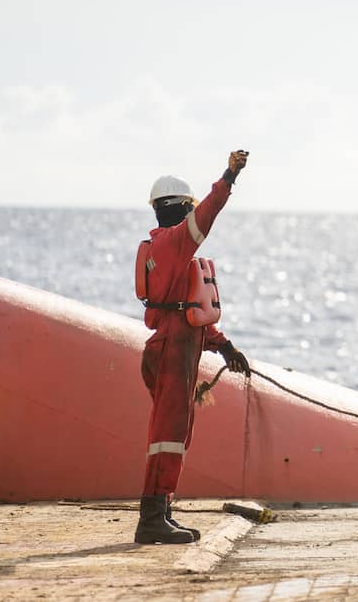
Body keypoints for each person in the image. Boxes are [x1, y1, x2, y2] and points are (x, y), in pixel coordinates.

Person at [133, 150, 252, 544]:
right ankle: (152, 519)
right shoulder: (176, 242)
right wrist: (229, 176)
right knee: (167, 434)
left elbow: (187, 312)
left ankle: (162, 512)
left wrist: (224, 346)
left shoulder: (167, 249)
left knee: (175, 434)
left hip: (176, 346)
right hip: (172, 353)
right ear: (183, 208)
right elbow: (210, 212)